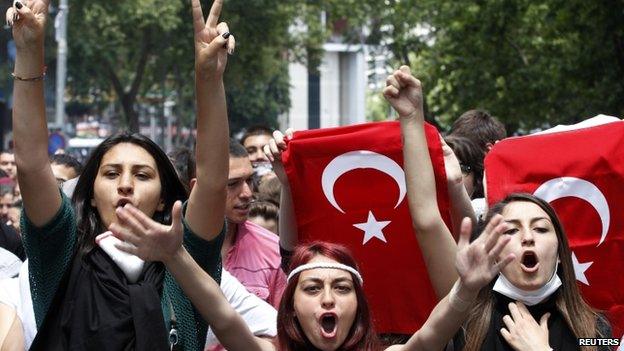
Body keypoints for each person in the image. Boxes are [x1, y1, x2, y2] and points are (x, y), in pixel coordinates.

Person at [6, 0, 233, 349]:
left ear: (162, 199)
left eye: (142, 175)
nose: (125, 184)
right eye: (111, 174)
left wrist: (209, 79)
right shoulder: (60, 252)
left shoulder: (184, 260)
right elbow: (32, 165)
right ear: (92, 194)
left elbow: (215, 183)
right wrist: (29, 50)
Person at [385, 67, 611, 351]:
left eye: (541, 228)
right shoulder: (465, 314)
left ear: (562, 255)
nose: (528, 237)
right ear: (494, 252)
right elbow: (427, 220)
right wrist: (411, 117)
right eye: (511, 230)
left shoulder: (597, 331)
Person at [222, 140, 286, 308]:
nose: (247, 193)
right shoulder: (169, 248)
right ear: (198, 186)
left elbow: (281, 330)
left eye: (249, 180)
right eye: (232, 184)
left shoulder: (273, 252)